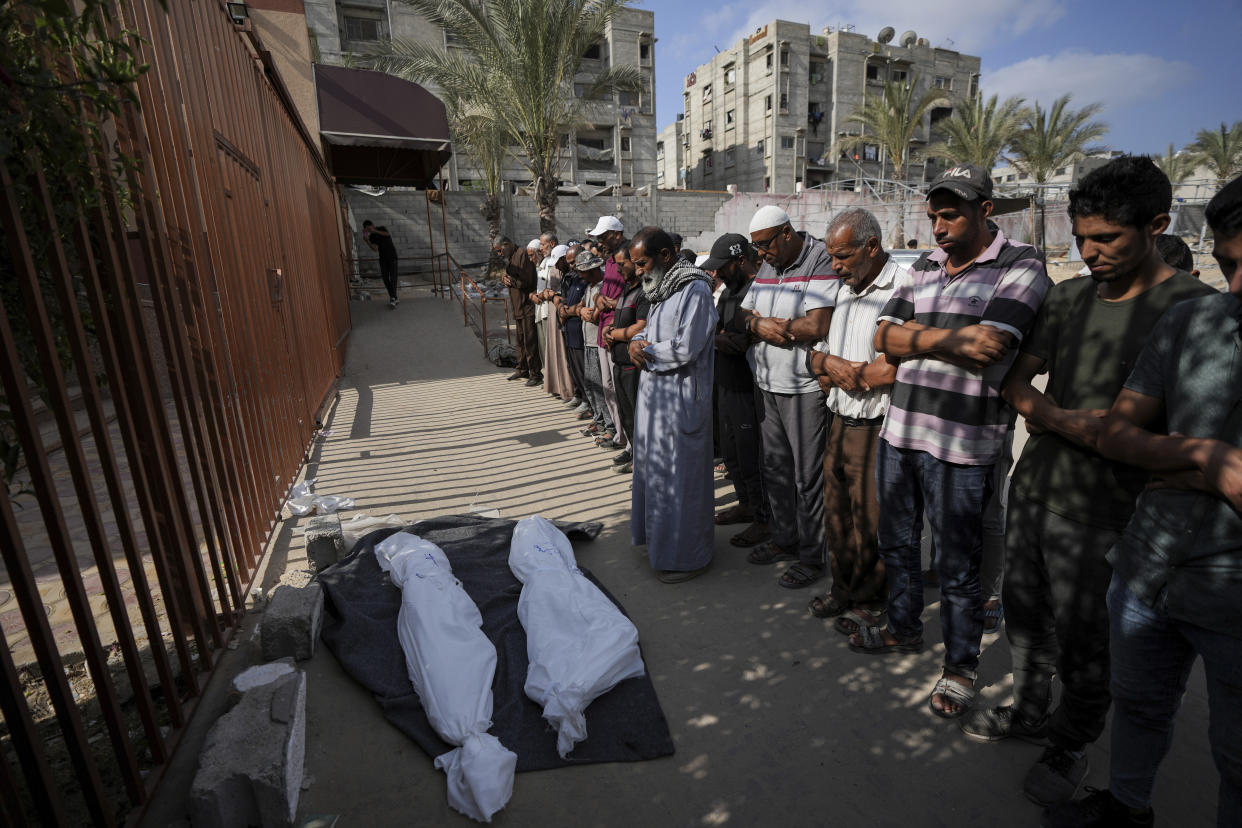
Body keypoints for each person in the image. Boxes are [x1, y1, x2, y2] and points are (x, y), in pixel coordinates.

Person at [958, 156, 1220, 806]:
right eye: (1081, 238)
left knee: (1087, 639)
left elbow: (1190, 439)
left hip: (1112, 511)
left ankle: (1070, 741)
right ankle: (1030, 707)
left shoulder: (1193, 309)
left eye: (1108, 239)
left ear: (1157, 226)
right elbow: (1019, 384)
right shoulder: (1069, 296)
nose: (1091, 253)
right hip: (1038, 489)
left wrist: (1062, 422)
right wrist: (1065, 420)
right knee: (1025, 614)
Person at [1043, 176, 1242, 828]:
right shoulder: (1196, 320)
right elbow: (1119, 434)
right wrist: (1205, 459)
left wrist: (1171, 459)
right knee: (1138, 702)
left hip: (1229, 586)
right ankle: (1126, 808)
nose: (1235, 285)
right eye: (1230, 264)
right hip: (1148, 564)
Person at [857, 164, 1051, 721]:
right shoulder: (923, 264)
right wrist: (950, 339)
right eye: (934, 215)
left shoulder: (1022, 264)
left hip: (963, 446)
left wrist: (916, 340)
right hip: (902, 433)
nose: (938, 227)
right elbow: (880, 336)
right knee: (896, 543)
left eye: (951, 214)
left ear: (985, 210)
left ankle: (961, 666)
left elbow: (989, 347)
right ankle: (903, 628)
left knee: (958, 566)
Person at [806, 209, 905, 628]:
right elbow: (816, 356)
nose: (835, 265)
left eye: (843, 255)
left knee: (870, 519)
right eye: (831, 256)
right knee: (837, 513)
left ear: (871, 247)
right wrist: (828, 361)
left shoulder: (903, 285)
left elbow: (892, 368)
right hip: (839, 418)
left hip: (876, 424)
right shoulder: (845, 287)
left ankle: (871, 598)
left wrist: (845, 372)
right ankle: (842, 588)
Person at [738, 205, 837, 589]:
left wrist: (777, 328)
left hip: (803, 388)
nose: (760, 254)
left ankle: (813, 557)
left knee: (808, 477)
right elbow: (743, 317)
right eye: (756, 247)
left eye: (764, 245)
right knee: (776, 470)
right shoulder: (766, 266)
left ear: (786, 233)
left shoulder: (818, 258)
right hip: (767, 382)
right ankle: (785, 539)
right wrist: (761, 325)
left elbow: (818, 324)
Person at [628, 227, 718, 583]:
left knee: (682, 481)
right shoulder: (661, 290)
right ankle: (659, 544)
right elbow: (648, 330)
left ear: (666, 256)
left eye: (642, 263)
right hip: (655, 399)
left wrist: (645, 350)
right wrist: (637, 341)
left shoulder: (694, 289)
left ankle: (688, 558)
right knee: (657, 474)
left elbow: (685, 346)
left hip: (681, 400)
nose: (638, 271)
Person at [700, 232, 770, 548]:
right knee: (731, 453)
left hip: (747, 386)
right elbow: (716, 334)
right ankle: (744, 503)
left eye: (723, 267)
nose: (717, 273)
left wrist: (734, 340)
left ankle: (762, 517)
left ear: (740, 260)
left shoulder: (758, 292)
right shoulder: (726, 293)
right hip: (724, 383)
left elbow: (749, 338)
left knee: (750, 453)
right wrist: (719, 340)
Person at [603, 244, 646, 474]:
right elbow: (620, 320)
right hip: (619, 362)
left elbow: (641, 325)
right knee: (626, 416)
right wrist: (609, 328)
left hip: (633, 365)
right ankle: (636, 456)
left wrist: (615, 334)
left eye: (622, 264)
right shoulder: (626, 290)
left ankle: (643, 464)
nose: (618, 270)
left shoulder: (644, 293)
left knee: (638, 418)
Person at [588, 216, 628, 451]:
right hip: (604, 330)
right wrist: (598, 298)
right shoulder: (610, 260)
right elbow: (604, 290)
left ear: (616, 235)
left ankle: (629, 441)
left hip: (619, 332)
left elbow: (637, 293)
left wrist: (615, 305)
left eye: (603, 237)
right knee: (608, 386)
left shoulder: (628, 257)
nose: (600, 242)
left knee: (620, 388)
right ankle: (620, 434)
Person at [493, 236, 542, 385]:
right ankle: (522, 369)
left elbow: (526, 280)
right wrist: (505, 278)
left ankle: (535, 374)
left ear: (506, 244)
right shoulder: (514, 256)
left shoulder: (522, 255)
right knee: (520, 340)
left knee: (530, 340)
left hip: (526, 305)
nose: (500, 254)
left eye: (500, 250)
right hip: (518, 306)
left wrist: (511, 281)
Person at [538, 243, 576, 403]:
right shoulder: (556, 270)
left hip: (564, 312)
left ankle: (569, 390)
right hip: (556, 311)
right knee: (555, 350)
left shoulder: (573, 273)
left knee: (564, 353)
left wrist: (554, 295)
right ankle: (558, 386)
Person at [363, 220, 400, 308]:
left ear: (372, 225)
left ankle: (393, 298)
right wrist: (367, 241)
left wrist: (374, 230)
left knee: (393, 278)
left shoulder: (381, 228)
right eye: (367, 230)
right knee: (385, 279)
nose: (369, 230)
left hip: (392, 257)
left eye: (369, 228)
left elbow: (387, 234)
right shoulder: (372, 236)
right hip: (383, 259)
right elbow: (375, 248)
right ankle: (394, 298)